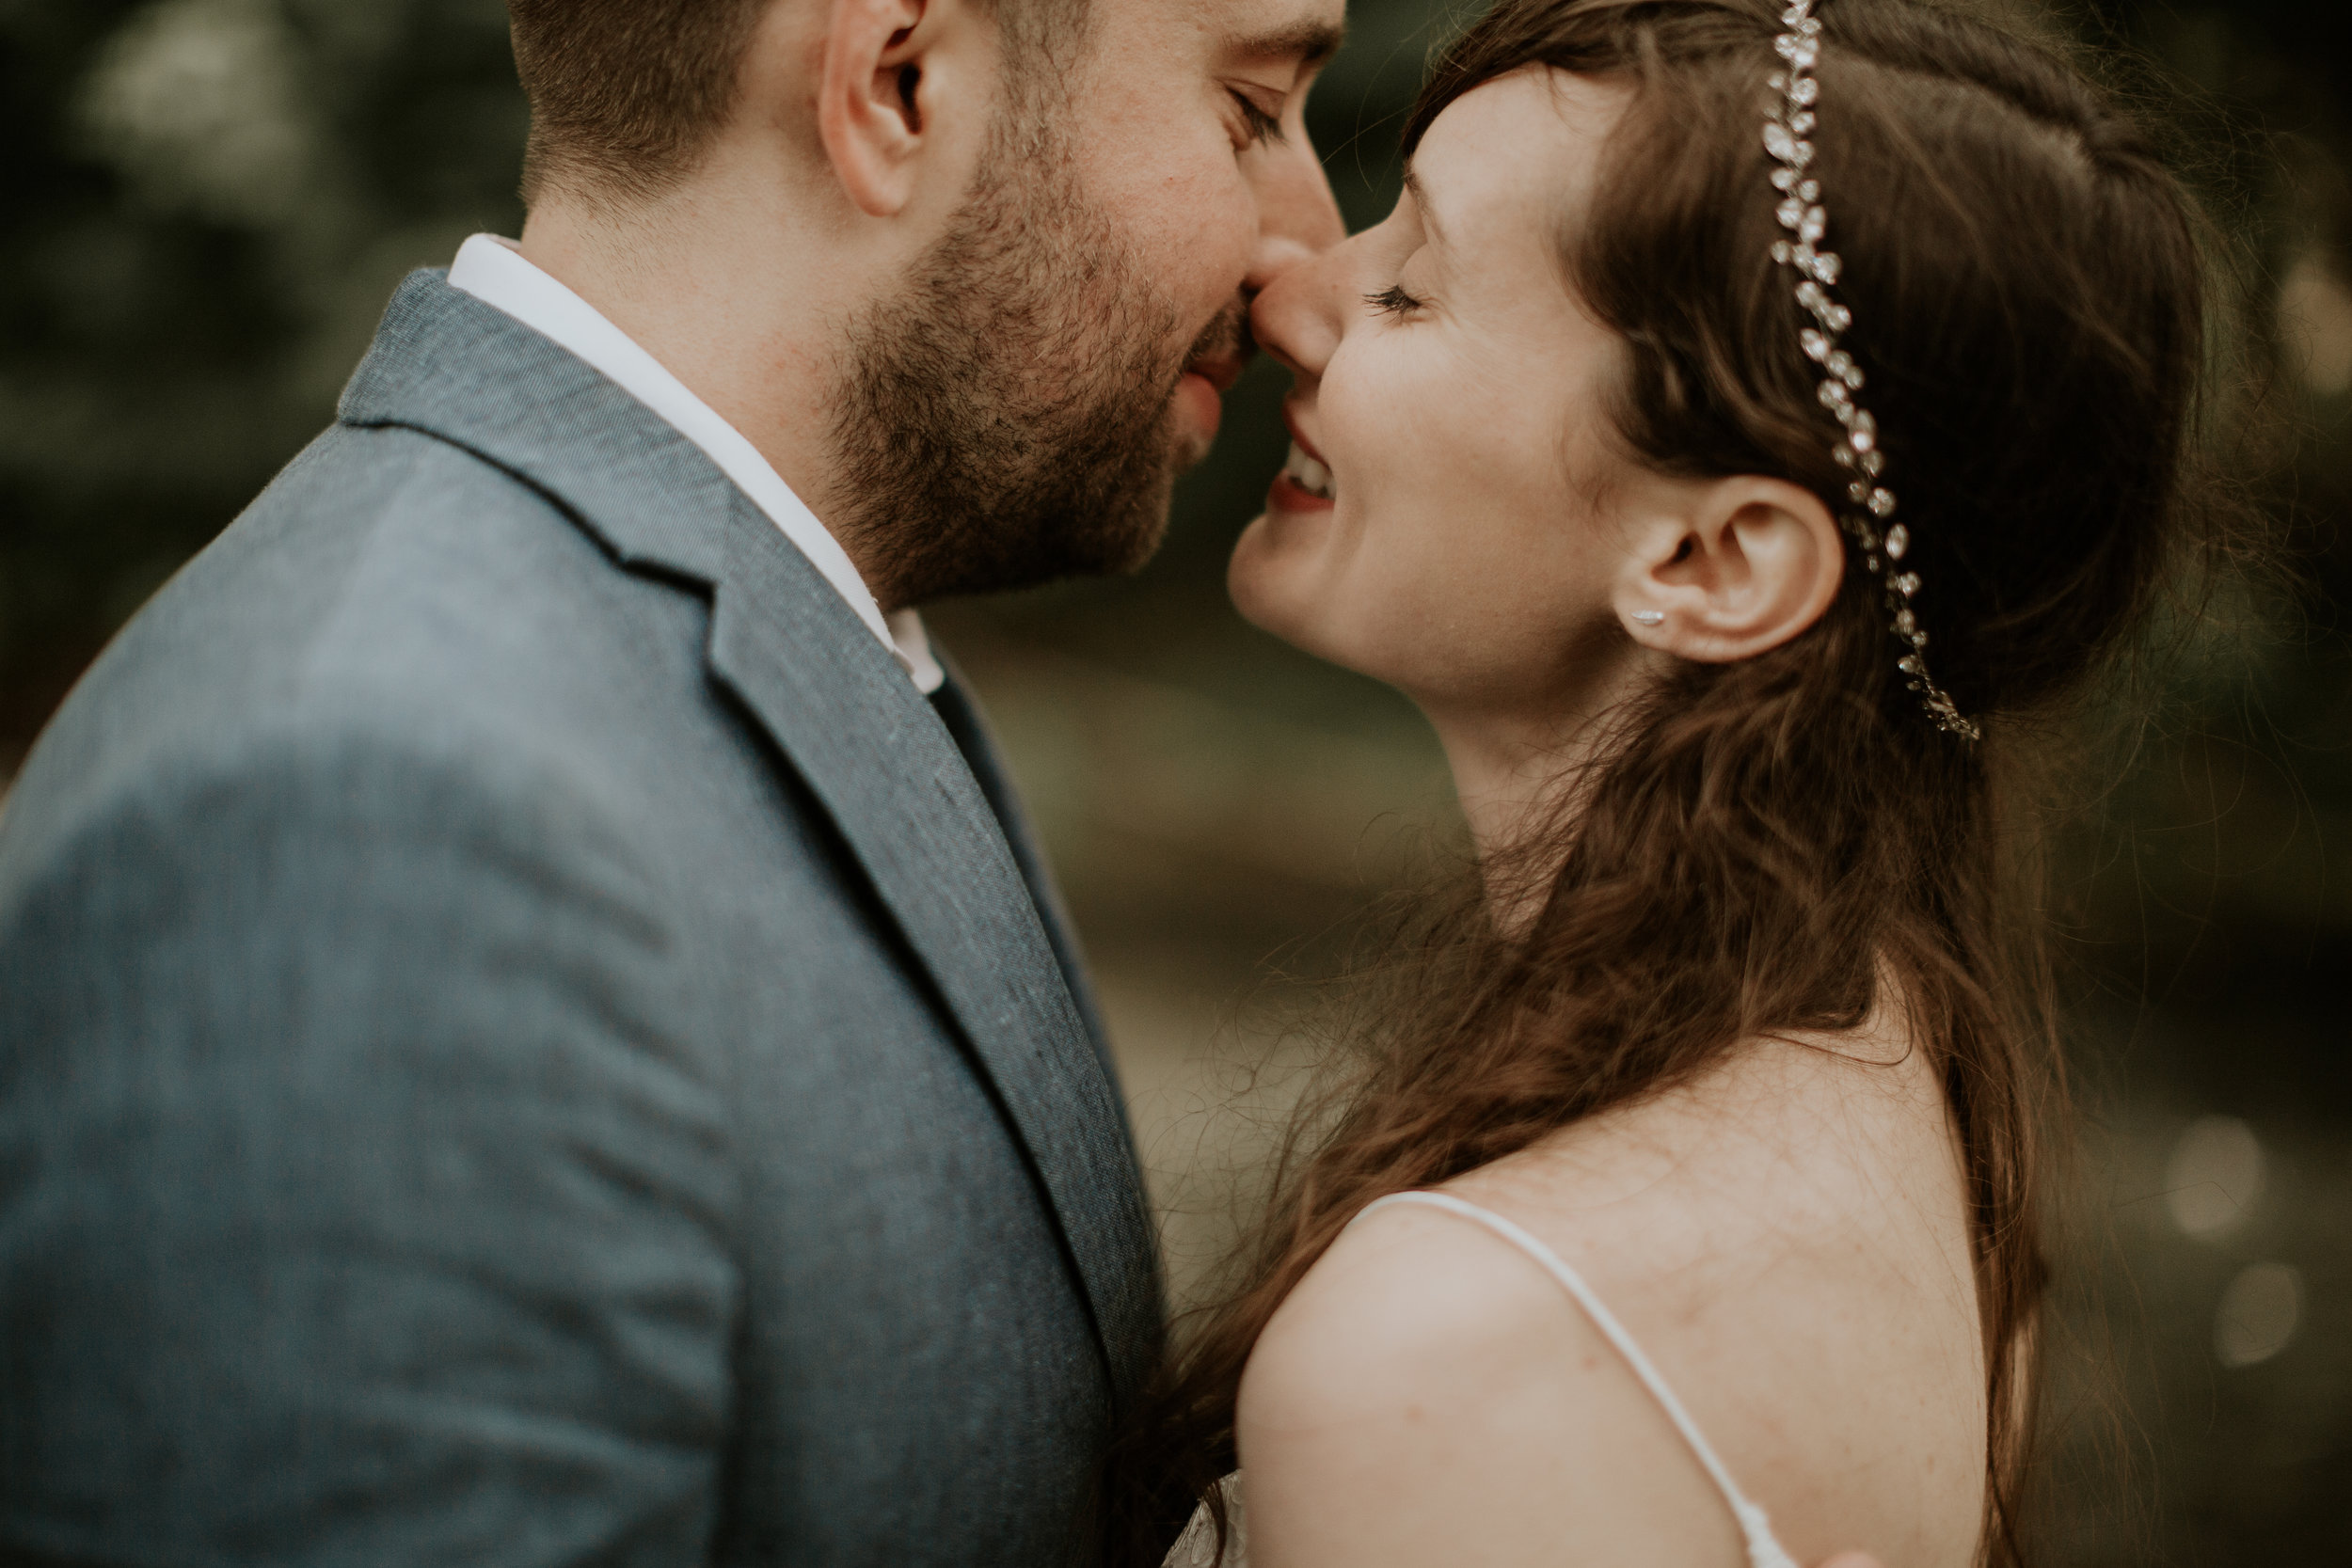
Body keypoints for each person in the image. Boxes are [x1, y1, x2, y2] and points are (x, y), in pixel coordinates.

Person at [0, 0, 1345, 1562]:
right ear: (896, 84)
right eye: (1251, 110)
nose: (1304, 251)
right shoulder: (374, 819)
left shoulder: (781, 620)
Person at [1123, 0, 2221, 1564]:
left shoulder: (1448, 1352)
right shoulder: (1917, 1090)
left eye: (1415, 287)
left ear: (1713, 560)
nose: (1289, 286)